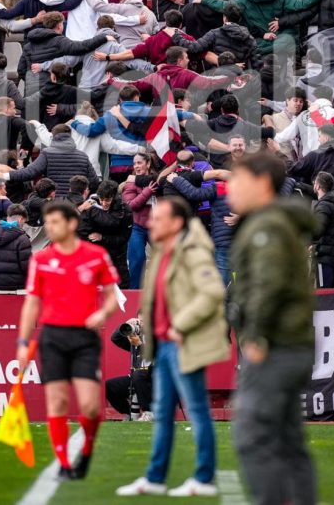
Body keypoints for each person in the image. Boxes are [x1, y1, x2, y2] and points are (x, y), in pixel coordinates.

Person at [116, 196, 227, 497]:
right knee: (162, 413)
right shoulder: (166, 252)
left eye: (159, 217)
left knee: (196, 410)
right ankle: (155, 477)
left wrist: (182, 324)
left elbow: (212, 291)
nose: (152, 222)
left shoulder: (193, 252)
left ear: (177, 222)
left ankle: (203, 479)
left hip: (183, 344)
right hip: (163, 347)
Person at [228, 152, 318, 505]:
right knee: (287, 440)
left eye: (238, 179)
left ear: (262, 183)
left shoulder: (267, 226)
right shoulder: (275, 222)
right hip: (290, 345)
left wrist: (257, 336)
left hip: (276, 346)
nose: (230, 187)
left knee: (254, 437)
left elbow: (269, 283)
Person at [17, 199, 120, 480]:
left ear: (72, 224)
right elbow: (31, 304)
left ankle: (86, 451)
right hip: (52, 338)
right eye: (47, 222)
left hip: (85, 338)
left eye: (54, 222)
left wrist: (102, 313)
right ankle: (63, 463)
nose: (49, 228)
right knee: (58, 404)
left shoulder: (96, 255)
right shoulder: (40, 259)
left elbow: (112, 296)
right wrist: (23, 344)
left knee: (90, 406)